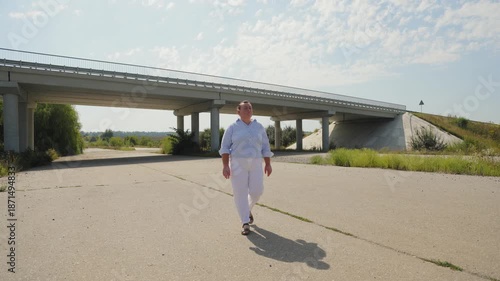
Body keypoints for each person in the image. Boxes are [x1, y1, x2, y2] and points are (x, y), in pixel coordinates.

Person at [219, 100, 273, 235]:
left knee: (257, 191)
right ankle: (245, 222)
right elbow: (225, 148)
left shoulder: (259, 127)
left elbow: (266, 146)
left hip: (256, 162)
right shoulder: (232, 127)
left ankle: (247, 209)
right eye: (245, 108)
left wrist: (268, 163)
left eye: (250, 108)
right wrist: (225, 165)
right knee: (240, 193)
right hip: (237, 164)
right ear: (238, 111)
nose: (248, 110)